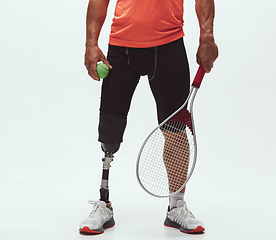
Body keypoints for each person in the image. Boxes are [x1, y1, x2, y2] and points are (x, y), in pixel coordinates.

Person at [79, 0, 218, 234]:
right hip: (121, 49)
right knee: (109, 130)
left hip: (169, 47)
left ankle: (176, 207)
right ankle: (104, 203)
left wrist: (207, 36)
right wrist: (90, 44)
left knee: (175, 131)